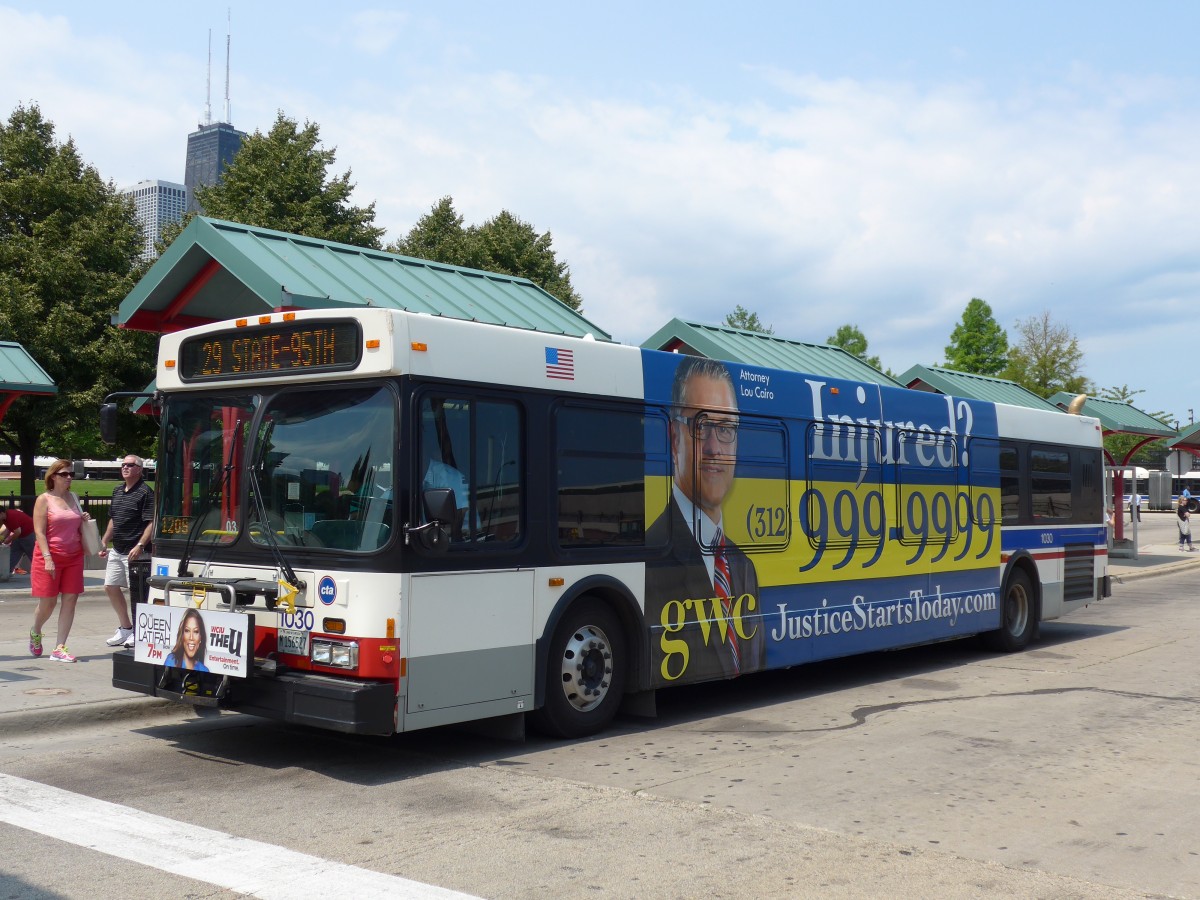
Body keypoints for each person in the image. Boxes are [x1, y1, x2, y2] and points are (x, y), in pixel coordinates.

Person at [646, 357, 765, 681]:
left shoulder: (743, 567)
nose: (715, 448)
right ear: (674, 439)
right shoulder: (649, 562)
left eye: (725, 429)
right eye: (701, 426)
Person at [28, 460, 90, 663]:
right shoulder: (44, 499)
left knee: (70, 600)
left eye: (71, 474)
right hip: (49, 556)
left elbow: (76, 524)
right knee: (48, 602)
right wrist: (47, 558)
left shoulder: (74, 497)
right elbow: (39, 531)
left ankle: (59, 647)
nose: (69, 477)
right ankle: (36, 630)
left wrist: (83, 518)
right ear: (53, 476)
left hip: (74, 556)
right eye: (64, 474)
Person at [99, 454, 155, 649]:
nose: (125, 468)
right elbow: (114, 519)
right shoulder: (117, 491)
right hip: (118, 549)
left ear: (139, 469)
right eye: (123, 464)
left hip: (136, 552)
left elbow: (151, 522)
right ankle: (126, 628)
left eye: (130, 465)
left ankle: (140, 633)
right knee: (110, 586)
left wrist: (140, 545)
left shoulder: (146, 493)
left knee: (138, 593)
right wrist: (104, 540)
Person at [163, 607, 209, 672]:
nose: (191, 637)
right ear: (182, 635)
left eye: (196, 631)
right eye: (187, 631)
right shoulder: (171, 661)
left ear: (200, 638)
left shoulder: (204, 670)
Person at [0, 506, 36, 575]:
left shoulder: (11, 516)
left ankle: (41, 572)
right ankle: (6, 572)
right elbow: (9, 529)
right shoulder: (5, 518)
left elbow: (17, 531)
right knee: (13, 554)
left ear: (1, 513)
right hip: (19, 536)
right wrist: (1, 539)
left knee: (32, 554)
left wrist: (8, 540)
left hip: (28, 534)